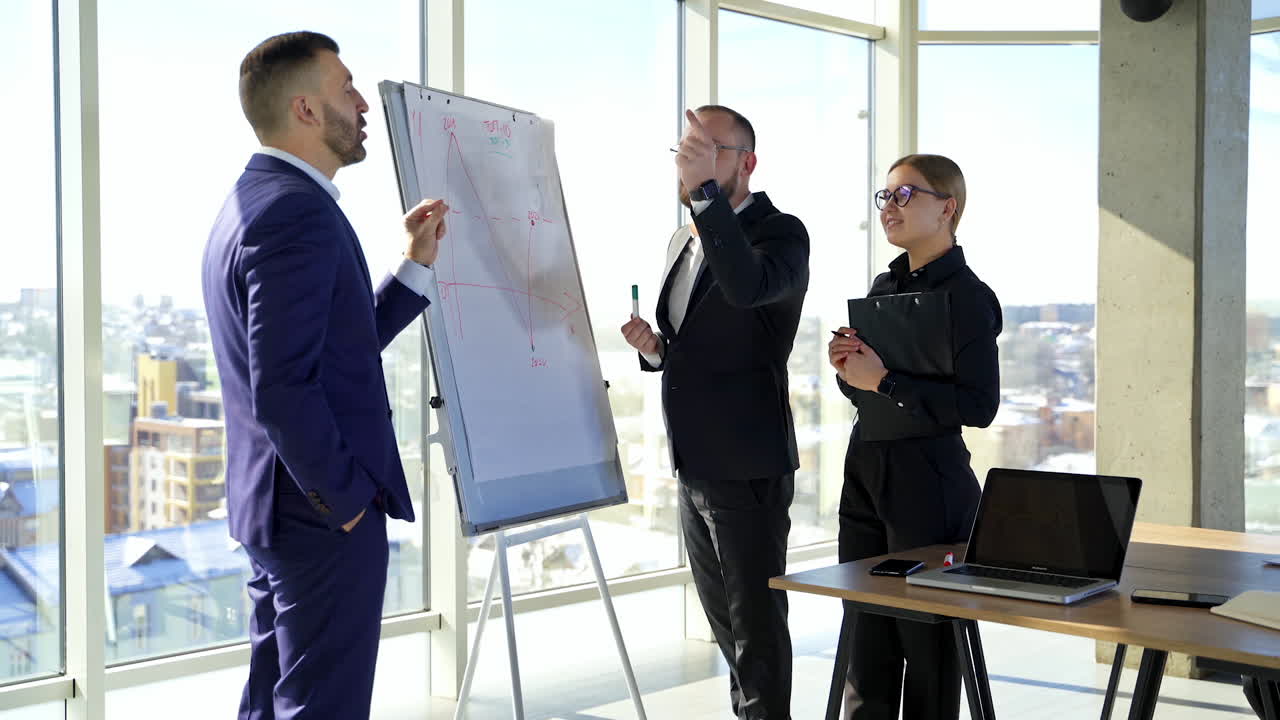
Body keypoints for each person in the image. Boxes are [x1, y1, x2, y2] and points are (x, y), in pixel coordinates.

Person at [202, 31, 448, 720]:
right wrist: (344, 505)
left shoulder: (255, 200)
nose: (362, 103)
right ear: (306, 109)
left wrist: (413, 266)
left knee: (273, 699)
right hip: (316, 516)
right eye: (347, 88)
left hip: (275, 508)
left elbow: (333, 350)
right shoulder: (295, 213)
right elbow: (282, 389)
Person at [620, 106, 809, 719]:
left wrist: (705, 195)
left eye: (707, 151)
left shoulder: (781, 233)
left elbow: (746, 288)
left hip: (748, 463)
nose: (689, 162)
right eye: (685, 151)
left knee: (756, 627)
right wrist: (655, 351)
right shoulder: (683, 240)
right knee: (725, 625)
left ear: (746, 162)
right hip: (694, 462)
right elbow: (695, 341)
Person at [827, 154, 1001, 719]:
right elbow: (866, 392)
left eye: (905, 195)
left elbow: (979, 406)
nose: (889, 208)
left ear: (947, 208)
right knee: (865, 640)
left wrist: (886, 380)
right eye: (885, 196)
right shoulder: (884, 286)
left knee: (929, 648)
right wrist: (849, 369)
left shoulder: (970, 297)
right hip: (866, 473)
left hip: (931, 483)